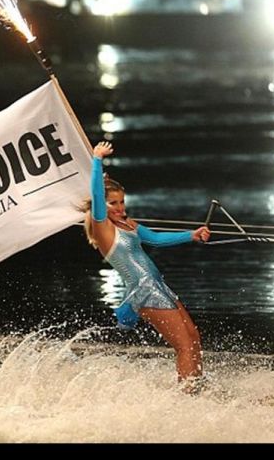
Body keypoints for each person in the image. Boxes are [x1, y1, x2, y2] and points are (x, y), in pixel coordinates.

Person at [85, 141, 209, 384]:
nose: (120, 207)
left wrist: (191, 235)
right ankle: (188, 396)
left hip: (157, 286)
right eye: (113, 203)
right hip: (144, 291)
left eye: (122, 201)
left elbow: (156, 239)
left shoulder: (128, 224)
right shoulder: (103, 228)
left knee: (193, 337)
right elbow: (97, 194)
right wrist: (97, 160)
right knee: (184, 346)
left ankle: (196, 387)